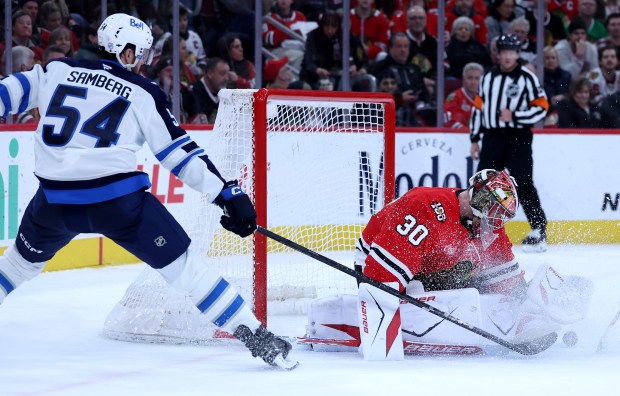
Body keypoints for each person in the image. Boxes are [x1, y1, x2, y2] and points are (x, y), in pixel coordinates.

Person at [0, 13, 297, 370]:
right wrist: (227, 194)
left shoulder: (55, 70)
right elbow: (181, 156)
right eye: (141, 53)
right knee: (188, 271)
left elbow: (5, 95)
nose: (143, 61)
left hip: (53, 203)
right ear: (127, 52)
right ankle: (258, 338)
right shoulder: (144, 93)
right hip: (119, 204)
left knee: (15, 267)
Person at [307, 169, 588, 359]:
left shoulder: (487, 226)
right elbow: (381, 277)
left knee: (485, 295)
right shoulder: (424, 208)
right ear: (478, 199)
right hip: (385, 264)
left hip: (438, 271)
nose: (496, 222)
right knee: (413, 293)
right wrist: (389, 319)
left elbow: (508, 282)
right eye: (493, 212)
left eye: (501, 216)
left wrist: (532, 308)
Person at [470, 34, 549, 252]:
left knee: (522, 181)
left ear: (517, 54)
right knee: (484, 184)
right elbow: (478, 109)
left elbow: (542, 106)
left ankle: (538, 229)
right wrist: (475, 138)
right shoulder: (488, 78)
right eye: (503, 52)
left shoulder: (527, 77)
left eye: (511, 52)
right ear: (498, 54)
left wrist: (514, 116)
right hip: (493, 137)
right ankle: (476, 231)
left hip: (518, 136)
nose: (507, 56)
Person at [369, 33, 431, 126]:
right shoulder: (380, 68)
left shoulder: (414, 68)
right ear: (391, 48)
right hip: (388, 114)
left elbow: (423, 92)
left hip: (415, 112)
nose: (403, 50)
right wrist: (399, 99)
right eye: (399, 46)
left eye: (406, 46)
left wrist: (418, 97)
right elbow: (376, 98)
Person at [300, 11, 367, 90]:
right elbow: (308, 60)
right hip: (314, 78)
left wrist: (354, 66)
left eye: (333, 27)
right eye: (326, 27)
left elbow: (357, 58)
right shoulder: (313, 36)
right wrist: (317, 70)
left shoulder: (345, 37)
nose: (329, 31)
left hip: (340, 77)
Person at [444, 62, 484, 129]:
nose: (473, 82)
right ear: (463, 80)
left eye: (477, 79)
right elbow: (449, 120)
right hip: (458, 136)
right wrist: (466, 132)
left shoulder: (485, 97)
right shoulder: (455, 97)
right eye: (470, 78)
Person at [192, 57, 231, 124]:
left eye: (228, 74)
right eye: (222, 73)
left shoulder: (225, 93)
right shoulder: (192, 93)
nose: (227, 78)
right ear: (210, 74)